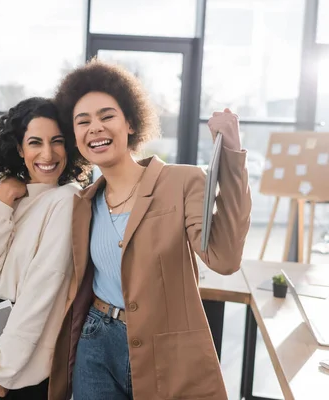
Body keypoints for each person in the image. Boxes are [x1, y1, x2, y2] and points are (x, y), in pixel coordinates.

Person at [48, 59, 252, 400]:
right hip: (95, 342)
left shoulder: (181, 181)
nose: (94, 128)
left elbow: (225, 258)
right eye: (82, 122)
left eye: (106, 116)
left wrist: (231, 152)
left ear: (130, 123)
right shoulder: (82, 203)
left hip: (166, 350)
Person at [0, 97, 89, 400]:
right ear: (19, 149)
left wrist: (1, 369)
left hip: (18, 356)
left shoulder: (67, 199)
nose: (48, 154)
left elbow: (42, 291)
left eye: (58, 141)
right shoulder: (7, 193)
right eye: (35, 142)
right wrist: (1, 201)